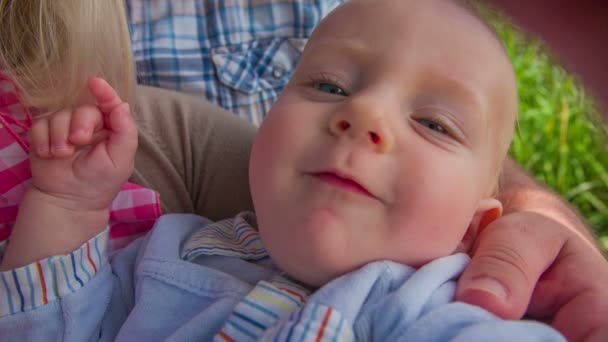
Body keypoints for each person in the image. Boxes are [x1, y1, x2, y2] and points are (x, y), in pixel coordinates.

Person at [0, 0, 605, 341]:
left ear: (475, 229)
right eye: (328, 85)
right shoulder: (170, 252)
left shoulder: (431, 312)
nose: (362, 112)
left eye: (436, 124)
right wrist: (67, 209)